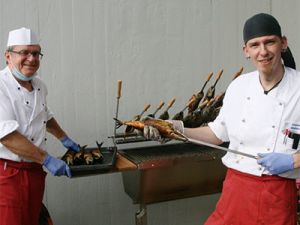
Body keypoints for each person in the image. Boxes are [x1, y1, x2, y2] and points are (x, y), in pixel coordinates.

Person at [144, 13, 300, 224]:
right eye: (255, 45)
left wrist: (292, 160)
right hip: (235, 188)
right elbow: (217, 134)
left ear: (283, 43)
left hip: (276, 193)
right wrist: (175, 128)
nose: (263, 51)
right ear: (246, 51)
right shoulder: (238, 86)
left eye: (270, 42)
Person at [0, 27, 80, 225]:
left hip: (34, 173)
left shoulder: (39, 85)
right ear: (8, 56)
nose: (31, 58)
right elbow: (7, 136)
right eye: (24, 52)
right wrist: (47, 160)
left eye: (36, 53)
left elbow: (45, 114)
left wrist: (63, 137)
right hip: (7, 175)